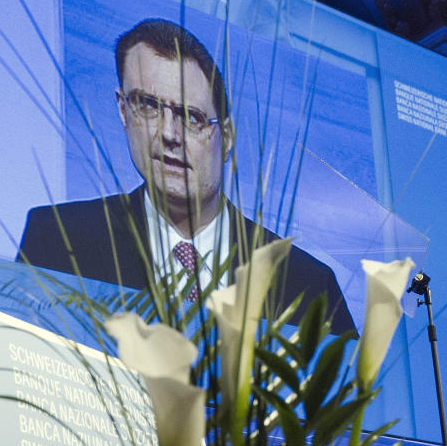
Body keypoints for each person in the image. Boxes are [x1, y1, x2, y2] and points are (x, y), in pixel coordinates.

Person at [19, 18, 355, 334]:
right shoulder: (57, 239)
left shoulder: (308, 285)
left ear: (226, 139)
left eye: (191, 117)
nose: (169, 133)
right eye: (148, 105)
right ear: (123, 110)